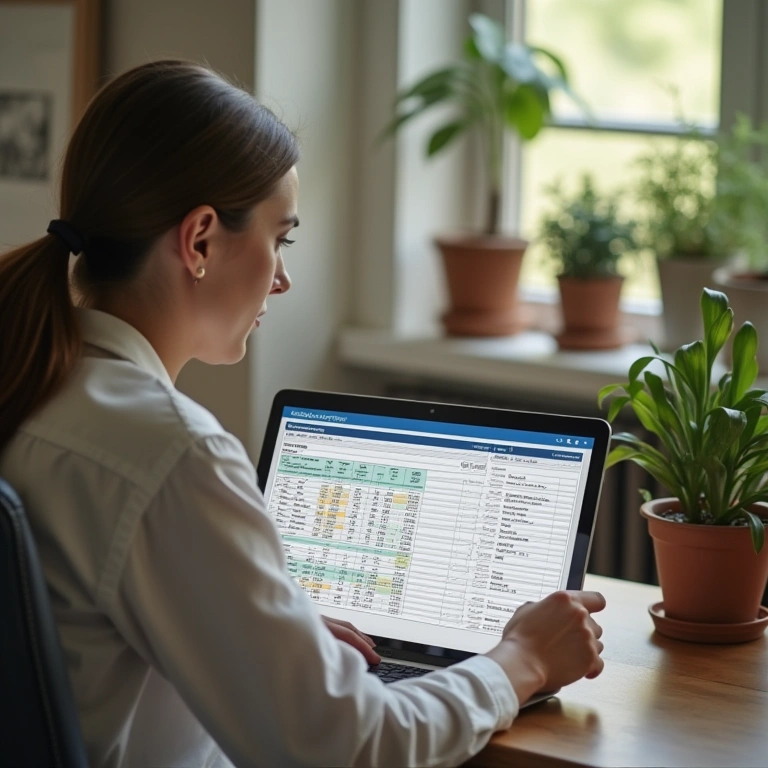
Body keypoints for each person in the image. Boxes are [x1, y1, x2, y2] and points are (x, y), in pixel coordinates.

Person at [0, 60, 605, 768]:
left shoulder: (33, 384)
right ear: (199, 241)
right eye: (279, 238)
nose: (282, 279)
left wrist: (254, 629)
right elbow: (349, 747)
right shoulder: (171, 456)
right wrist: (522, 661)